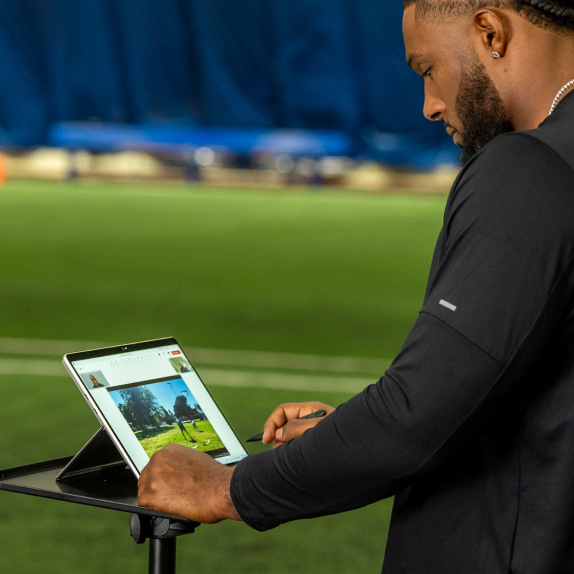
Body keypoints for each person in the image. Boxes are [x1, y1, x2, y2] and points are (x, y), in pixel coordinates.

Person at [139, 2, 574, 571]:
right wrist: (343, 435)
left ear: (491, 33)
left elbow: (416, 417)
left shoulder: (526, 169)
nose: (430, 105)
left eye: (427, 70)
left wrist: (223, 489)